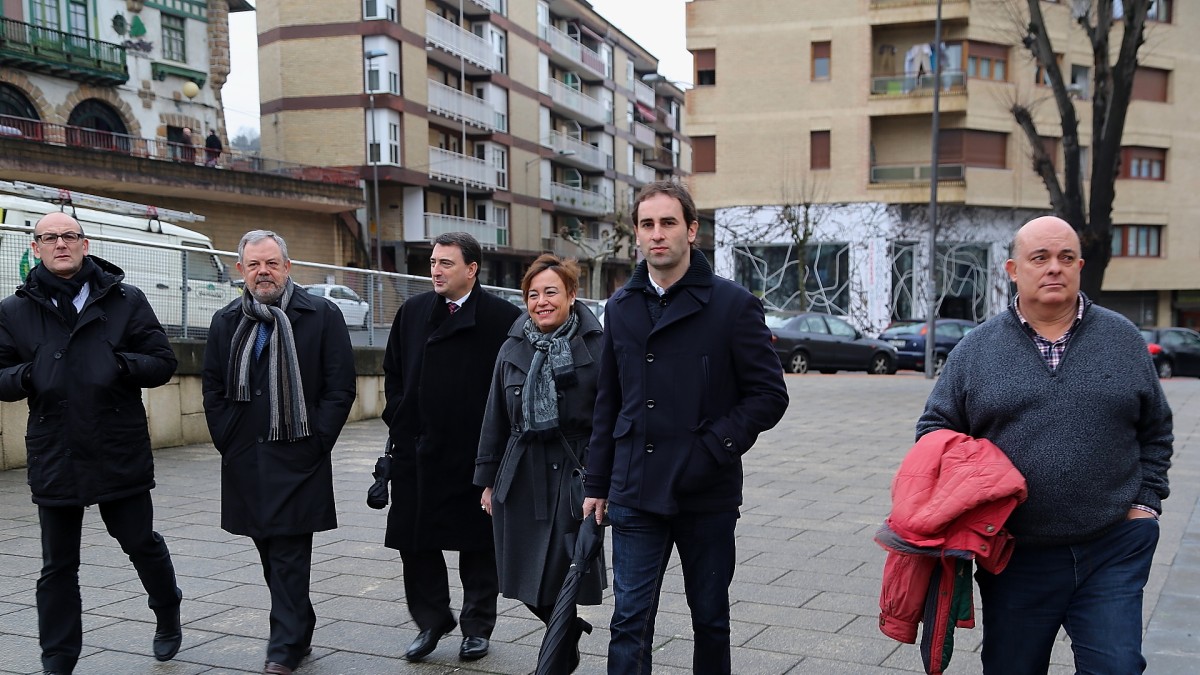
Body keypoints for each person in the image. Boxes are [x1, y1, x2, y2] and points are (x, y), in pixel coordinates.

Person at [916, 215, 1173, 674]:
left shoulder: (1122, 339)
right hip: (1016, 555)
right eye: (1040, 258)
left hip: (1112, 546)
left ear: (1080, 266)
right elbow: (934, 433)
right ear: (1013, 269)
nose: (1054, 267)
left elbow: (1157, 429)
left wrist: (1146, 503)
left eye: (1066, 258)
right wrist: (975, 499)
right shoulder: (975, 350)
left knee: (1117, 667)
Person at [582, 181, 789, 674]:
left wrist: (712, 447)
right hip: (633, 486)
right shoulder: (620, 307)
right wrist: (596, 482)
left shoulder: (733, 304)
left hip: (706, 491)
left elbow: (769, 396)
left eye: (668, 223)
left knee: (711, 618)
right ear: (636, 234)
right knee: (629, 620)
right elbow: (607, 401)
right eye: (647, 224)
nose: (658, 235)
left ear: (691, 230)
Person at [0, 212, 183, 675]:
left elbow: (162, 361)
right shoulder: (13, 310)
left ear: (84, 244)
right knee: (57, 566)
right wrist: (26, 374)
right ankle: (58, 661)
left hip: (116, 446)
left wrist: (121, 366)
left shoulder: (125, 299)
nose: (60, 243)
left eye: (69, 236)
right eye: (49, 237)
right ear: (35, 247)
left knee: (139, 542)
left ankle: (167, 606)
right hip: (55, 450)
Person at [202, 230, 356, 675]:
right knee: (268, 549)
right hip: (246, 455)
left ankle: (283, 648)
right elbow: (212, 386)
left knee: (289, 549)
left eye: (271, 263)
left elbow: (339, 386)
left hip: (297, 452)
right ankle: (299, 621)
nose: (263, 272)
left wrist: (316, 441)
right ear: (241, 271)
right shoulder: (227, 320)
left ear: (288, 267)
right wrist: (226, 438)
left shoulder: (320, 315)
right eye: (254, 265)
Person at [382, 232, 521, 663]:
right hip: (418, 449)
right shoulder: (413, 311)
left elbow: (510, 387)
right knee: (414, 539)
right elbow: (394, 373)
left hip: (473, 452)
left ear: (472, 269)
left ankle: (477, 627)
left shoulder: (502, 318)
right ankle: (432, 620)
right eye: (433, 263)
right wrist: (400, 419)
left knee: (478, 544)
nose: (436, 271)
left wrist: (496, 451)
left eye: (446, 263)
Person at [475, 255, 606, 672]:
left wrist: (604, 481)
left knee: (563, 573)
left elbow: (611, 419)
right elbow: (494, 416)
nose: (541, 301)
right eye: (533, 294)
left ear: (571, 295)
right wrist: (488, 479)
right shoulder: (512, 345)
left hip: (572, 474)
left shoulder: (599, 347)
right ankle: (566, 633)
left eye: (551, 292)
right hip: (519, 475)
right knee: (521, 577)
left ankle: (554, 662)